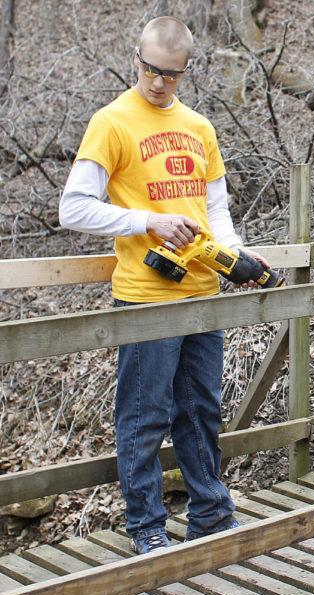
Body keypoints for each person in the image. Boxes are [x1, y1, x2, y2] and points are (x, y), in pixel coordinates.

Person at [58, 17, 266, 554]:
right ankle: (147, 527)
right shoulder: (111, 122)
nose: (157, 83)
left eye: (170, 75)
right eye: (150, 70)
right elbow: (74, 209)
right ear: (136, 60)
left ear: (185, 72)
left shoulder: (200, 127)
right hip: (146, 294)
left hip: (202, 291)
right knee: (144, 416)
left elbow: (215, 209)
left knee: (200, 410)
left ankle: (212, 516)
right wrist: (147, 221)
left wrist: (235, 256)